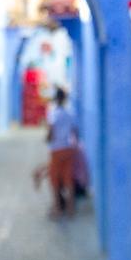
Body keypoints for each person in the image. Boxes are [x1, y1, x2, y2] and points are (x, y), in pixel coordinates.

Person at [45, 87, 78, 218]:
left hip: (56, 149)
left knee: (55, 180)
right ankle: (70, 209)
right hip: (68, 148)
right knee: (68, 179)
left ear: (55, 99)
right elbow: (75, 131)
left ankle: (57, 209)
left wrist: (48, 138)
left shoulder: (53, 113)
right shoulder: (70, 113)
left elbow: (51, 130)